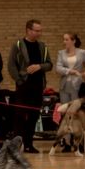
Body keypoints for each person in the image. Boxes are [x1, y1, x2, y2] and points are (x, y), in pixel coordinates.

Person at [8, 19, 53, 153]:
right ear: (28, 30)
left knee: (33, 116)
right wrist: (19, 80)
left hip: (38, 86)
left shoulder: (42, 46)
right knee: (20, 116)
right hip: (23, 86)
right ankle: (16, 146)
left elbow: (49, 64)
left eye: (40, 30)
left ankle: (29, 144)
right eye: (36, 30)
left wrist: (39, 66)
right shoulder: (17, 45)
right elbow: (11, 65)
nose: (39, 33)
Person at [55, 32, 85, 104]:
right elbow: (58, 68)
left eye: (67, 40)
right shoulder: (61, 53)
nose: (64, 42)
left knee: (76, 110)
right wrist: (71, 71)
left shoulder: (82, 52)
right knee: (64, 110)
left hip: (78, 84)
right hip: (64, 85)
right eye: (64, 40)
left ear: (73, 41)